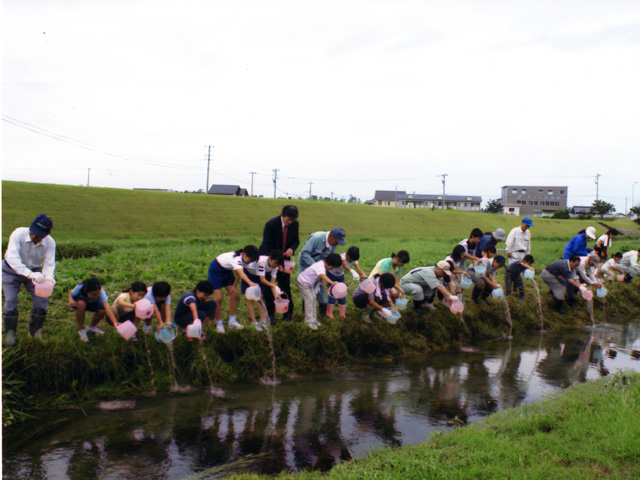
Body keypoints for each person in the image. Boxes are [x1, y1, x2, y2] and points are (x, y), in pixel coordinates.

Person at [2, 214, 55, 346]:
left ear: (47, 234)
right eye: (33, 233)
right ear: (31, 225)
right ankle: (10, 333)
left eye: (38, 235)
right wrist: (30, 275)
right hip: (11, 270)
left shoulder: (50, 243)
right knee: (10, 300)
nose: (34, 237)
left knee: (42, 302)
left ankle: (35, 332)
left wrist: (48, 279)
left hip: (35, 270)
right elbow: (13, 258)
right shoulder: (18, 233)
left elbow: (49, 264)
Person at [259, 205, 300, 322]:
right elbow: (267, 244)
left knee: (285, 285)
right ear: (283, 215)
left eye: (293, 220)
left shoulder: (294, 225)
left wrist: (292, 249)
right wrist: (277, 257)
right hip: (270, 259)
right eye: (289, 220)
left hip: (285, 260)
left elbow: (296, 241)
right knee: (268, 286)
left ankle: (287, 313)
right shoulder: (271, 224)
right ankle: (270, 314)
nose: (291, 222)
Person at [208, 245, 260, 333]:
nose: (249, 262)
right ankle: (219, 323)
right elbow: (242, 273)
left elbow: (239, 274)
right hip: (216, 270)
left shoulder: (244, 259)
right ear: (244, 254)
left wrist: (234, 285)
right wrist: (250, 283)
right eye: (250, 260)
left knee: (234, 294)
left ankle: (232, 321)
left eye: (252, 261)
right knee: (219, 298)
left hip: (227, 272)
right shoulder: (237, 259)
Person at [298, 228, 346, 315]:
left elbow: (329, 258)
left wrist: (321, 271)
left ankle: (323, 312)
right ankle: (306, 312)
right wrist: (317, 267)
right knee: (307, 285)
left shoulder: (333, 243)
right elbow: (304, 253)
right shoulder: (316, 238)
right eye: (337, 241)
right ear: (331, 237)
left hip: (321, 265)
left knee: (321, 286)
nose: (337, 244)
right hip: (306, 263)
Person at [296, 253, 342, 330]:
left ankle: (313, 318)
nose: (332, 269)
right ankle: (308, 320)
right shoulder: (320, 266)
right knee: (309, 300)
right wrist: (332, 282)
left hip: (308, 284)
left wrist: (321, 281)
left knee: (313, 298)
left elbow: (320, 275)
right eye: (333, 267)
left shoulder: (322, 265)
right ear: (330, 264)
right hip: (303, 283)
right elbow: (323, 275)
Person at [68, 277, 120, 343]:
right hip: (80, 303)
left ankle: (91, 327)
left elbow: (108, 309)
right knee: (81, 304)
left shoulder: (101, 292)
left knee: (103, 310)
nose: (96, 296)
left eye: (97, 294)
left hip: (93, 304)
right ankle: (81, 329)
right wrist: (71, 300)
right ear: (85, 290)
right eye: (93, 295)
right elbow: (71, 293)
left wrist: (115, 323)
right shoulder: (79, 287)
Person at [242, 249, 283, 331]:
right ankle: (254, 322)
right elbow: (263, 280)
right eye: (275, 263)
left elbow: (272, 283)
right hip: (249, 274)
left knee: (260, 298)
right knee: (251, 299)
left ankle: (262, 321)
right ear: (270, 258)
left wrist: (276, 295)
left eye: (278, 264)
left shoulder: (275, 266)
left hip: (259, 276)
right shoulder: (261, 262)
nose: (275, 265)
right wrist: (275, 286)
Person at [326, 246, 367, 319]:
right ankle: (329, 312)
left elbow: (358, 268)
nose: (351, 261)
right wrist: (352, 271)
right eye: (350, 259)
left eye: (352, 260)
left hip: (340, 276)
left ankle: (342, 312)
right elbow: (344, 265)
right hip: (331, 275)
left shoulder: (353, 258)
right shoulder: (342, 257)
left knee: (342, 292)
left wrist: (363, 274)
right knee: (333, 293)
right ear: (347, 253)